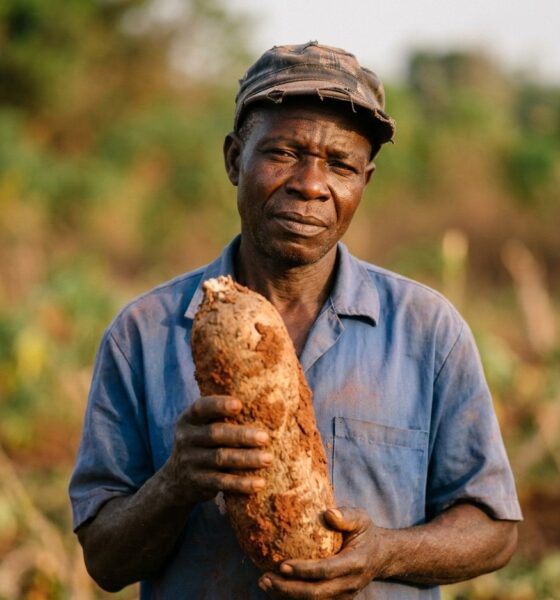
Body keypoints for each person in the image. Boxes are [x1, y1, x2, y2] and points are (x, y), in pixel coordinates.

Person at [69, 42, 522, 599]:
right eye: (284, 153)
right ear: (235, 158)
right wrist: (175, 482)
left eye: (340, 165)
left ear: (365, 182)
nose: (311, 184)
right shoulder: (142, 334)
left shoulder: (427, 331)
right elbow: (105, 561)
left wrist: (385, 552)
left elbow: (496, 531)